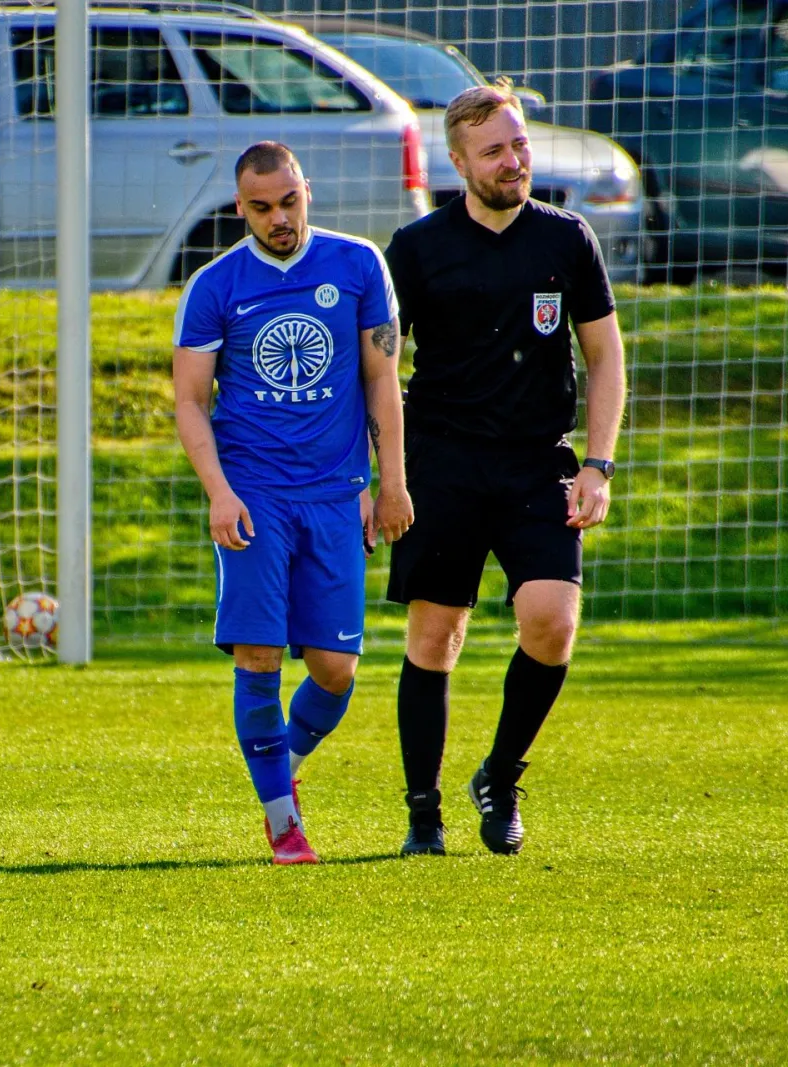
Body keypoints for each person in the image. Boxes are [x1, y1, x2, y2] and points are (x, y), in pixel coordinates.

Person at [383, 81, 626, 857]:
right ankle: (424, 814)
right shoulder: (416, 249)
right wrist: (385, 475)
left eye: (519, 144)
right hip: (442, 462)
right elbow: (378, 368)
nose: (513, 161)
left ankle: (500, 775)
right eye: (494, 151)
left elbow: (605, 356)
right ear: (459, 163)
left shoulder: (567, 237)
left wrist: (598, 465)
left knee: (552, 622)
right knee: (436, 634)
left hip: (536, 463)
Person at [173, 142, 413, 865]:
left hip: (335, 494)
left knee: (336, 669)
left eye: (288, 201)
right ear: (239, 208)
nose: (278, 218)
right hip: (253, 495)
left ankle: (282, 764)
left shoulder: (358, 264)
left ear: (307, 189)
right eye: (261, 207)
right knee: (260, 654)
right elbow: (190, 401)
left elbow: (381, 380)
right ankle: (283, 824)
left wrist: (390, 482)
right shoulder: (215, 285)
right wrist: (219, 494)